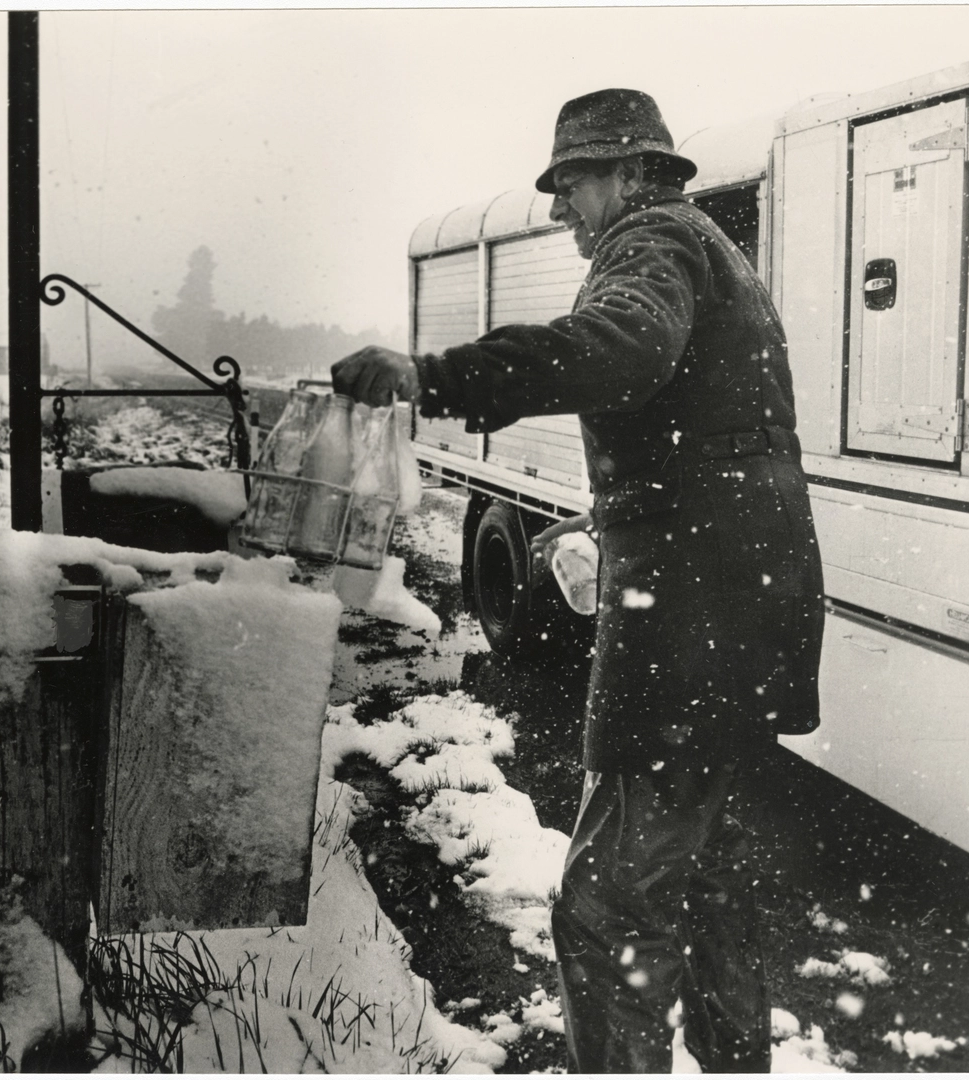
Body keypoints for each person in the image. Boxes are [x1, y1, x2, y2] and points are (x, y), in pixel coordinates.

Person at [332, 88, 825, 1073]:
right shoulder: (710, 250)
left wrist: (433, 376)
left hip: (691, 612)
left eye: (570, 184)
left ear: (627, 174)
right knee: (707, 871)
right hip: (744, 602)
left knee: (601, 910)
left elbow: (614, 350)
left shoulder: (650, 243)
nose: (559, 210)